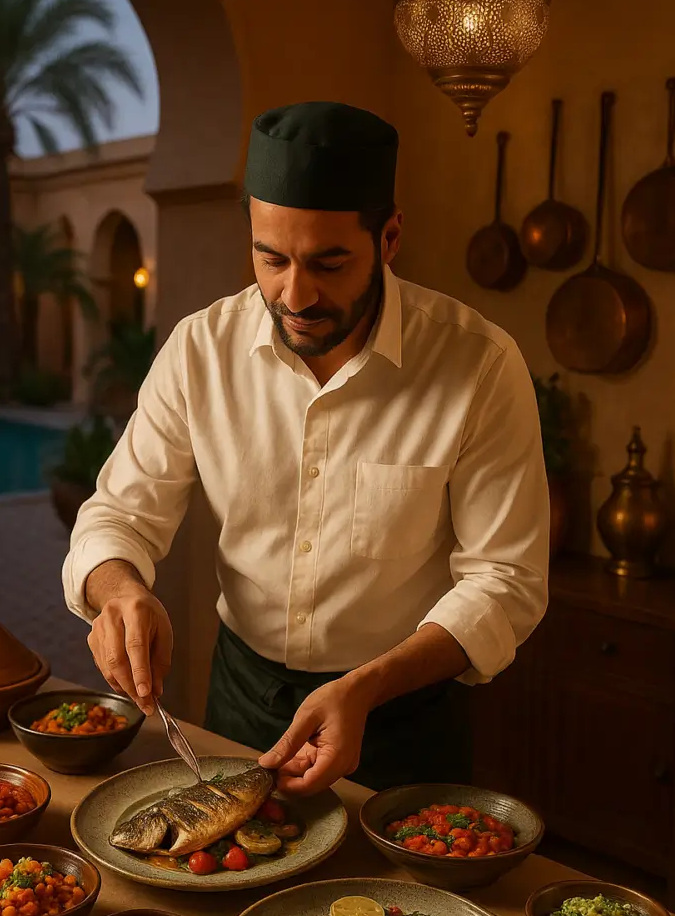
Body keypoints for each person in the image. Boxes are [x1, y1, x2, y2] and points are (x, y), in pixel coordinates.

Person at [63, 101, 549, 796]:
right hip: (240, 701)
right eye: (272, 259)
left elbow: (505, 581)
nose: (295, 294)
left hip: (401, 712)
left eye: (329, 263)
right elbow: (118, 513)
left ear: (388, 238)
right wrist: (121, 592)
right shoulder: (201, 350)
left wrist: (364, 687)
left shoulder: (477, 364)